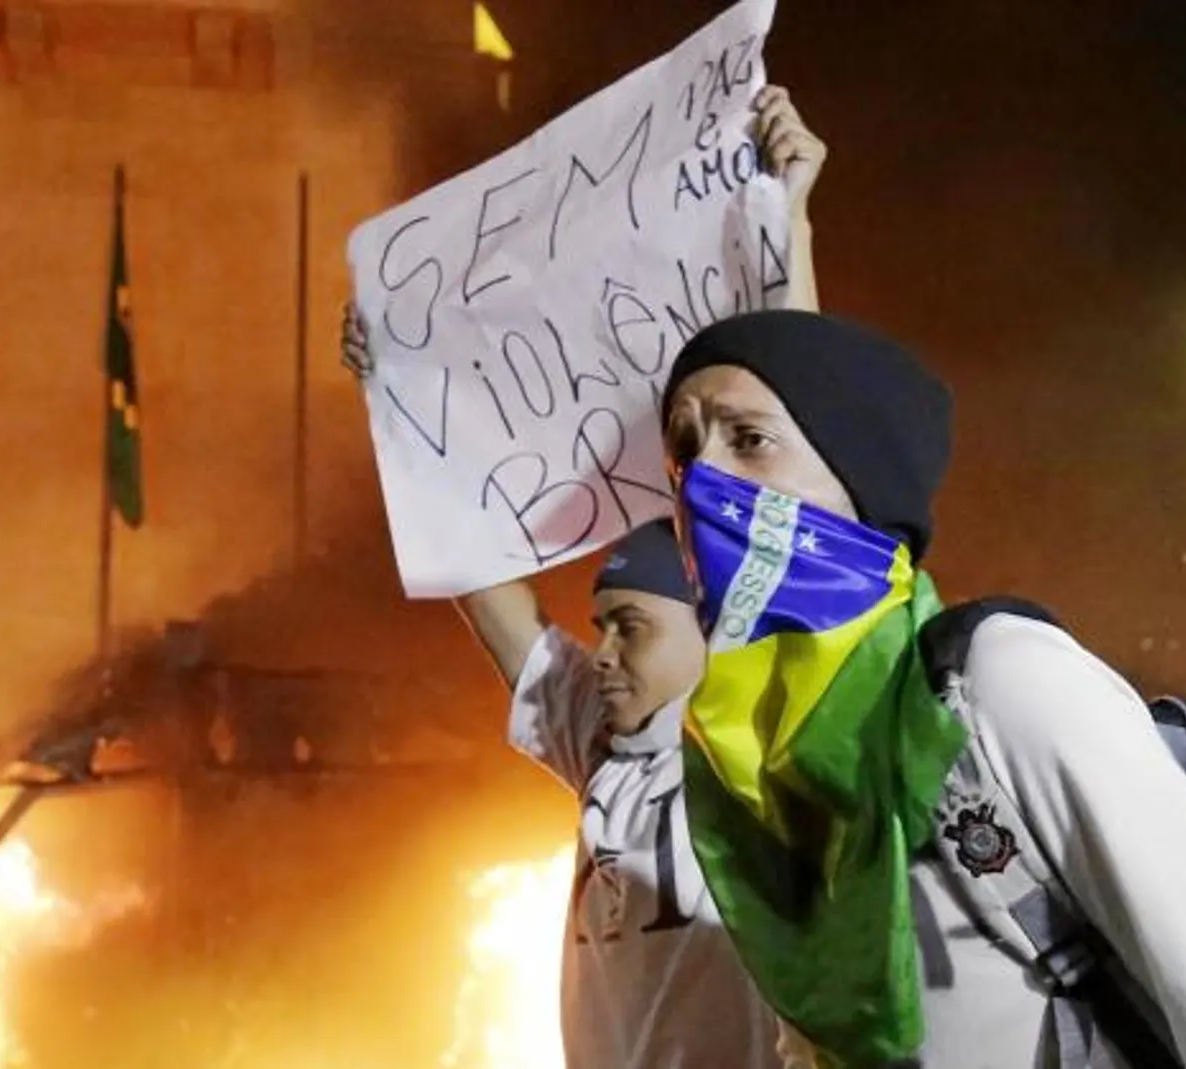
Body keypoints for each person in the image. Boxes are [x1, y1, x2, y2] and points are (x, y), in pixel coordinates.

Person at [660, 309, 1186, 1068]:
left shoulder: (1000, 683)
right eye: (683, 451)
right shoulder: (750, 771)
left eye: (750, 440)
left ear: (856, 467)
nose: (704, 481)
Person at [344, 84, 826, 1069]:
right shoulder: (601, 748)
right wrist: (392, 394)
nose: (598, 653)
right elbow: (484, 584)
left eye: (629, 627)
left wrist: (792, 216)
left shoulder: (765, 738)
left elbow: (801, 463)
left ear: (711, 627)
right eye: (600, 624)